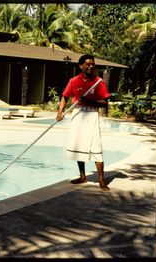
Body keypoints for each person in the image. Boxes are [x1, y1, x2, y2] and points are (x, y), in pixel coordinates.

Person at [56, 54, 110, 191]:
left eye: (93, 64)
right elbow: (65, 96)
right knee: (79, 146)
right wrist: (60, 111)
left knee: (96, 146)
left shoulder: (99, 82)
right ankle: (82, 176)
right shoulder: (74, 81)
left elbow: (104, 103)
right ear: (81, 66)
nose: (91, 66)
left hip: (91, 115)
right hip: (78, 114)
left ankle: (102, 181)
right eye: (88, 64)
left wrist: (89, 101)